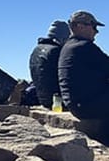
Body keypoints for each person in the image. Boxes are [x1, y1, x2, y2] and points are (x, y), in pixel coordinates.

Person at [58, 11, 109, 143]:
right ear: (80, 26)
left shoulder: (69, 47)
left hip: (78, 104)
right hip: (88, 105)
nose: (96, 31)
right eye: (94, 26)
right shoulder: (84, 47)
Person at [29, 20, 70, 109]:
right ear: (63, 38)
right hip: (58, 101)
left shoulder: (36, 50)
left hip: (42, 100)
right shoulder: (56, 51)